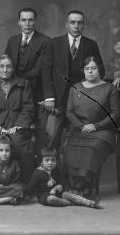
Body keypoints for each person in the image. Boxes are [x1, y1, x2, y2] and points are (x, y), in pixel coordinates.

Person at [43, 10, 105, 151]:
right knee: (51, 138)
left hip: (79, 103)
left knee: (75, 141)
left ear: (83, 25)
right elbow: (46, 72)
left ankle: (70, 172)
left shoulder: (91, 45)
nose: (76, 26)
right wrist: (49, 96)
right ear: (66, 25)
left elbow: (101, 71)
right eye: (72, 22)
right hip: (57, 101)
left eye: (79, 22)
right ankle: (51, 172)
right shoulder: (54, 43)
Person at [62, 56, 120, 199]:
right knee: (68, 146)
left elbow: (116, 113)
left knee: (91, 148)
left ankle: (86, 188)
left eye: (93, 68)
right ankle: (73, 187)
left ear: (99, 69)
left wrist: (96, 126)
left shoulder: (109, 88)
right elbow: (69, 112)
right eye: (87, 69)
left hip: (102, 131)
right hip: (79, 129)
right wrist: (81, 126)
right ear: (83, 71)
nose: (90, 71)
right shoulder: (75, 87)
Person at [0, 55, 35, 183]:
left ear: (13, 68)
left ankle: (23, 184)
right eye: (1, 66)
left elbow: (28, 108)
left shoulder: (23, 84)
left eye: (8, 66)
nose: (5, 70)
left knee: (19, 145)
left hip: (17, 129)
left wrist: (18, 125)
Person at [5, 7, 50, 156]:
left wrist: (18, 80)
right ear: (19, 22)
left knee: (41, 132)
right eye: (24, 20)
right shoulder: (12, 41)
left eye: (30, 20)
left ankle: (38, 163)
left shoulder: (45, 41)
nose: (27, 23)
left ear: (35, 22)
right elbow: (7, 64)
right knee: (12, 129)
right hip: (15, 95)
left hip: (36, 93)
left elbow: (40, 68)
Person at [28, 148, 102, 209]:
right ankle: (71, 203)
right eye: (47, 160)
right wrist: (32, 196)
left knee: (67, 194)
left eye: (53, 160)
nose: (50, 163)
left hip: (58, 192)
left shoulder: (56, 170)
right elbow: (31, 187)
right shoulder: (38, 173)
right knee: (52, 199)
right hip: (44, 195)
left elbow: (63, 182)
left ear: (56, 161)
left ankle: (87, 202)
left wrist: (57, 187)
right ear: (41, 162)